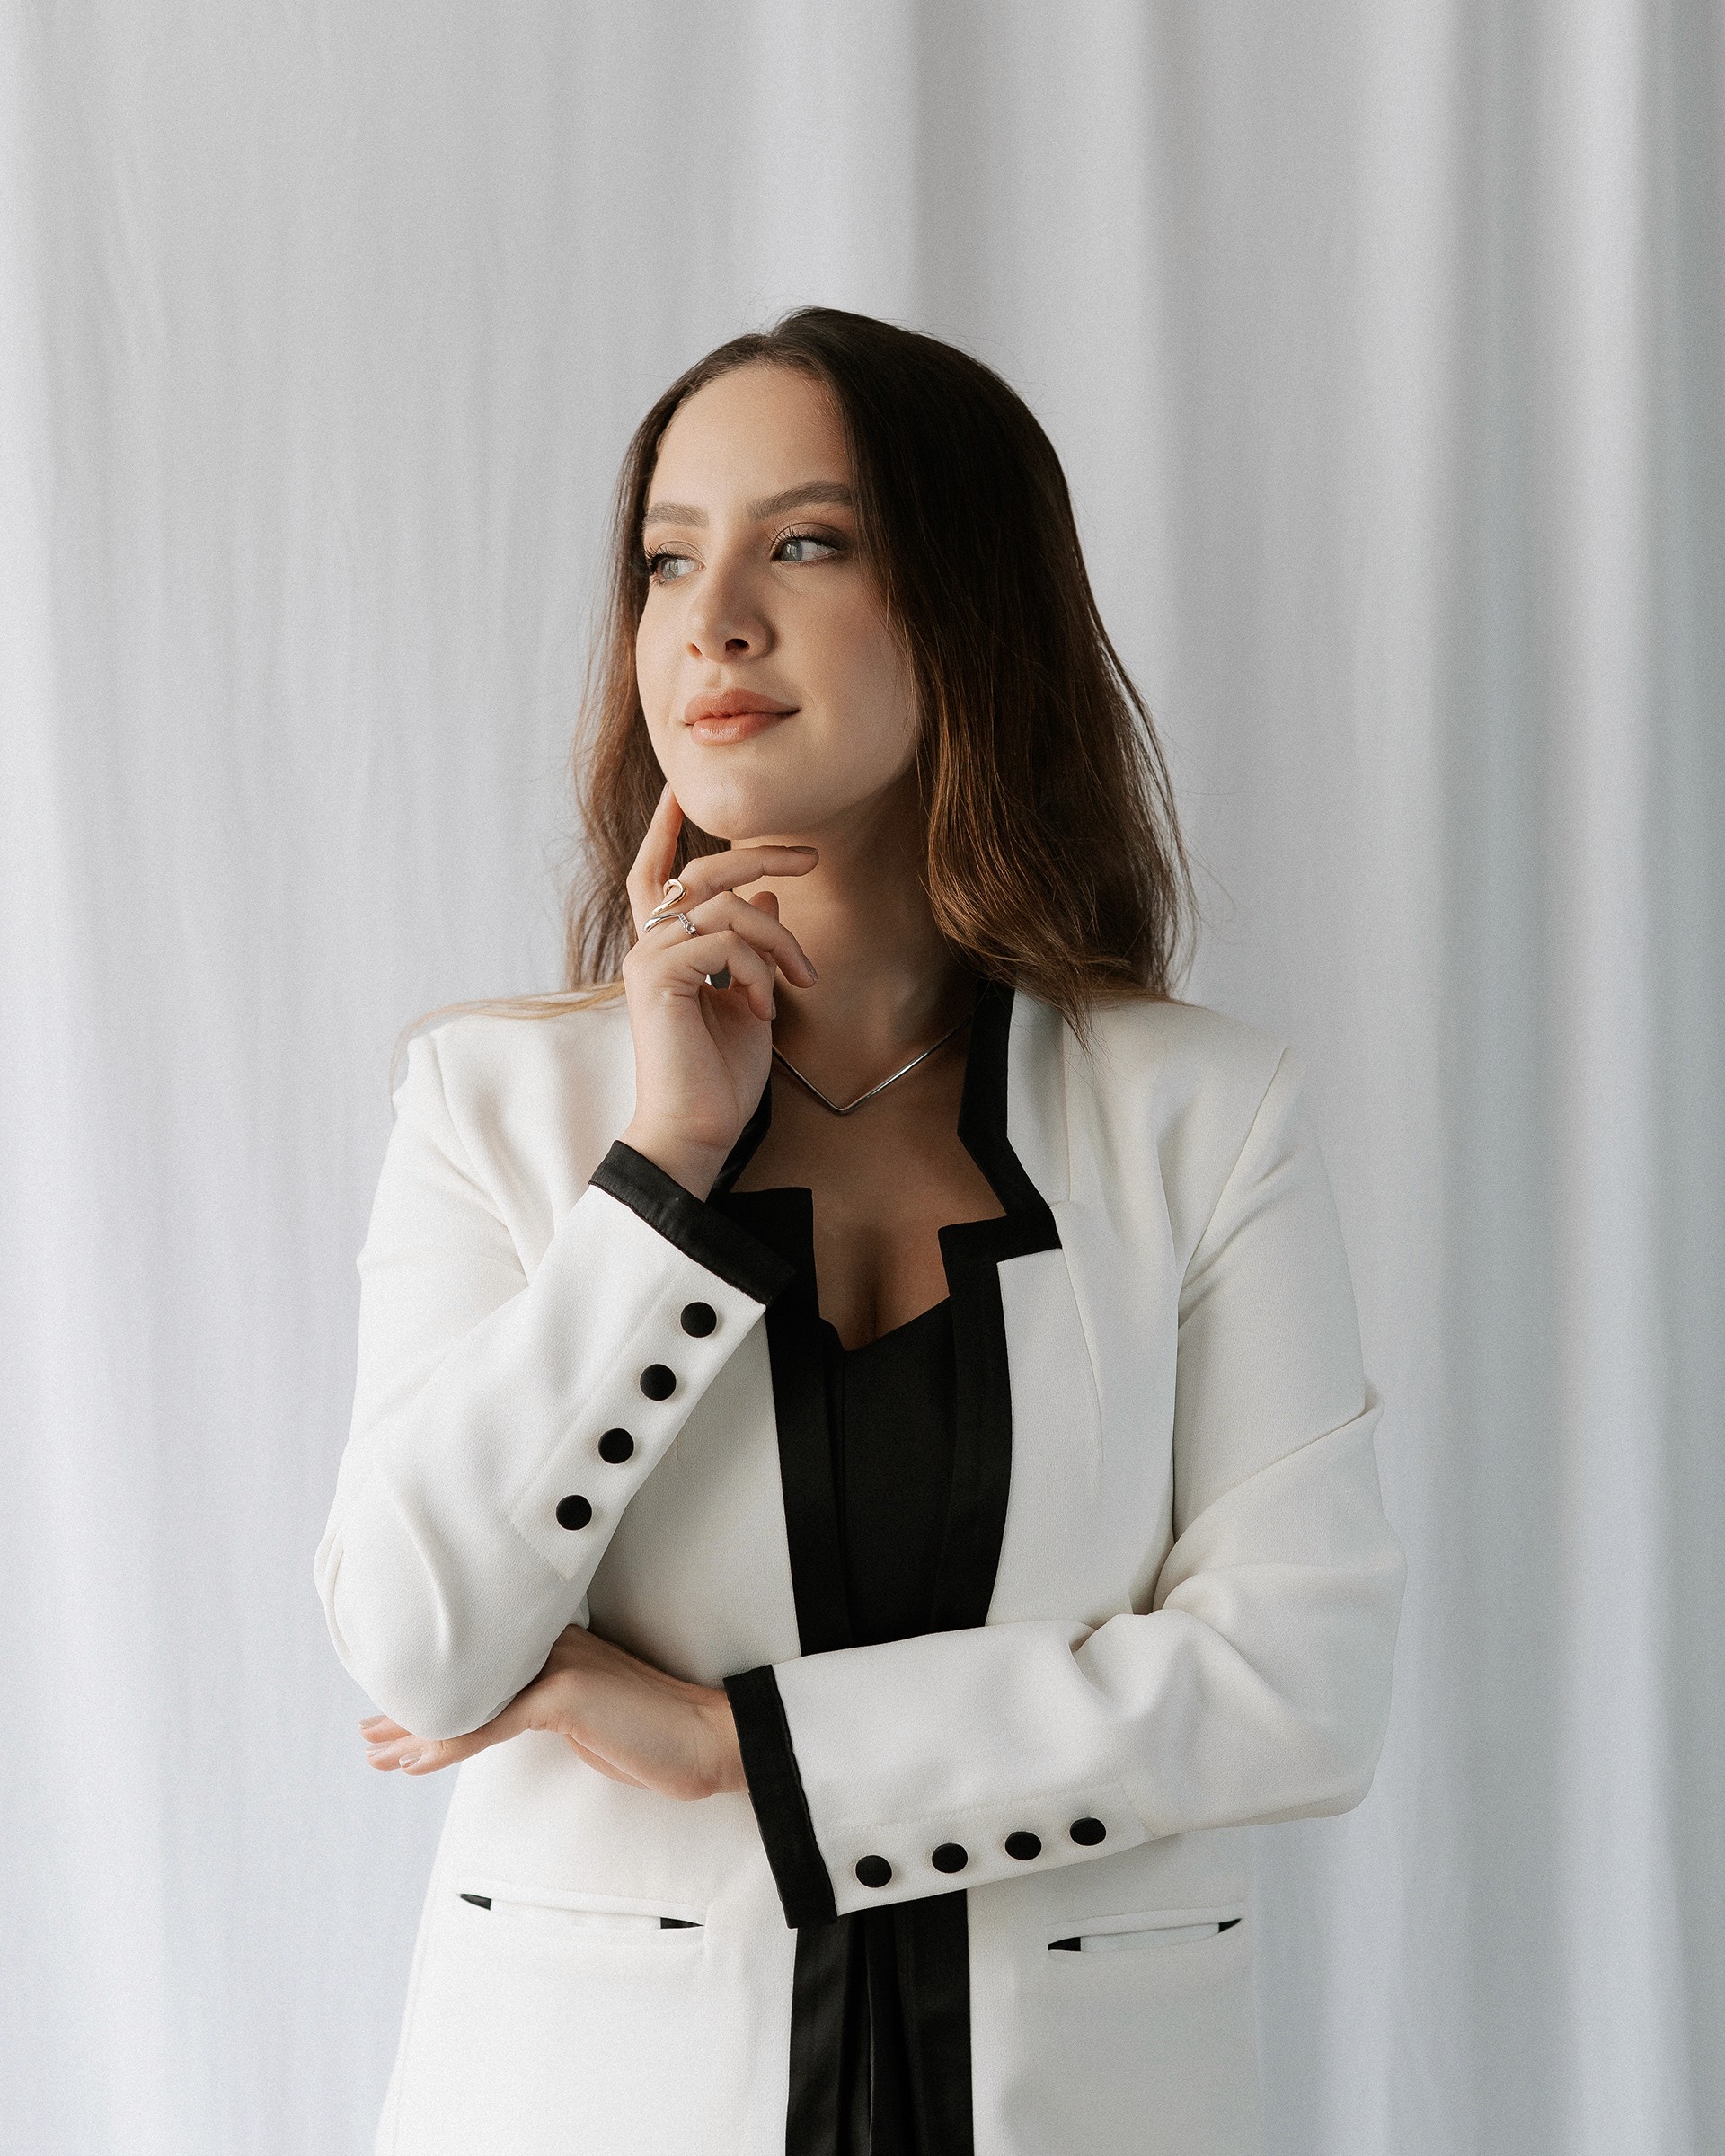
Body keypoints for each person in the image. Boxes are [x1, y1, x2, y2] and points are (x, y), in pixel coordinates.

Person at [314, 305, 1406, 2156]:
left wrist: (742, 1751)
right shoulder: (491, 1106)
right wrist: (664, 1164)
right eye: (670, 560)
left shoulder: (1203, 1118)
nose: (714, 622)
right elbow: (419, 1646)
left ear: (968, 609)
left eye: (806, 544)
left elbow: (1304, 1688)